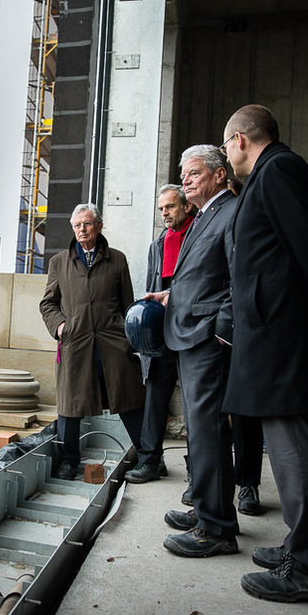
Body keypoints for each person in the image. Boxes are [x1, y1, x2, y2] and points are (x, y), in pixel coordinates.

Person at [220, 105, 308, 605]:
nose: (229, 153)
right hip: (274, 333)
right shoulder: (273, 174)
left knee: (293, 450)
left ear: (239, 140)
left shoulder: (281, 169)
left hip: (280, 336)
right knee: (290, 446)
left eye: (227, 145)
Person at [144, 145, 239, 557]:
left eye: (194, 172)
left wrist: (221, 330)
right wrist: (171, 296)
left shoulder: (233, 211)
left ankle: (216, 529)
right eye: (183, 174)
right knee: (201, 433)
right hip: (188, 330)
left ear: (220, 175)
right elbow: (203, 276)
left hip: (206, 338)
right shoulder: (206, 214)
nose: (186, 180)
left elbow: (241, 277)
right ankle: (208, 510)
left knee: (210, 433)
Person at [39, 203, 146, 480]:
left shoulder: (117, 260)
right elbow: (48, 303)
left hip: (112, 342)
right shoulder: (59, 262)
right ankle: (69, 461)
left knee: (128, 398)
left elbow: (128, 304)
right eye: (77, 225)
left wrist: (127, 337)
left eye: (87, 224)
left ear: (98, 226)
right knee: (71, 405)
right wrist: (61, 325)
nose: (82, 230)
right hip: (76, 342)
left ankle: (148, 457)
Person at [124, 184, 195, 484]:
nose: (164, 213)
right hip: (161, 335)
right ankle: (151, 461)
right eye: (161, 209)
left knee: (195, 404)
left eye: (170, 207)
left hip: (192, 331)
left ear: (187, 206)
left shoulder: (199, 236)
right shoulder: (158, 245)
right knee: (154, 398)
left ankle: (198, 473)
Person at [225, 176, 265, 517]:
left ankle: (248, 485)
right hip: (209, 331)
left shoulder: (249, 218)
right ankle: (203, 483)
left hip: (244, 330)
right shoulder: (209, 219)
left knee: (246, 416)